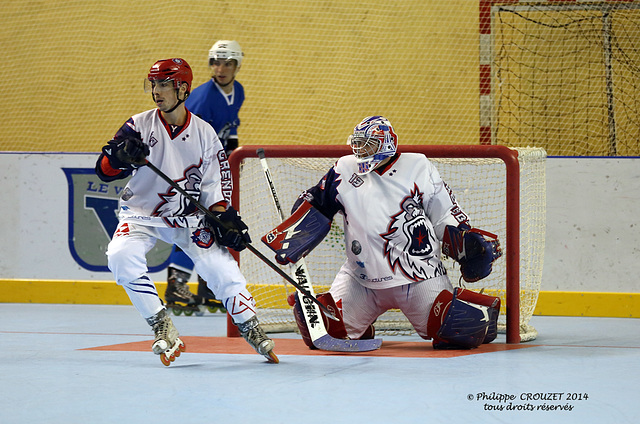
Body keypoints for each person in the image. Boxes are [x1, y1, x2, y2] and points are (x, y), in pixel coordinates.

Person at [95, 58, 278, 364]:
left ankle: (250, 325)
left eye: (164, 84)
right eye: (153, 84)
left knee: (222, 271)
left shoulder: (205, 134)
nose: (156, 91)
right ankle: (161, 324)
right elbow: (104, 170)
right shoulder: (138, 124)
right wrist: (119, 158)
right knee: (120, 256)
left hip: (189, 218)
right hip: (142, 214)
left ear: (182, 89)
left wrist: (224, 218)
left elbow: (216, 185)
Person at [265, 116, 503, 350]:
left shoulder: (418, 166)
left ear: (388, 142)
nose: (361, 150)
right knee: (323, 329)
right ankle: (360, 326)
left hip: (418, 276)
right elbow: (319, 203)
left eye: (368, 144)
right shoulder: (344, 168)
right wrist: (294, 234)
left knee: (458, 328)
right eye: (357, 143)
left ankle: (480, 312)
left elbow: (443, 214)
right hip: (360, 278)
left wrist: (466, 241)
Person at [164, 40, 246, 314]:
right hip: (190, 170)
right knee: (191, 223)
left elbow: (229, 130)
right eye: (216, 62)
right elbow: (182, 138)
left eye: (228, 63)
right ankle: (176, 286)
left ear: (237, 66)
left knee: (214, 223)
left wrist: (231, 160)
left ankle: (208, 286)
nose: (221, 68)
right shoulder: (201, 98)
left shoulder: (238, 92)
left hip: (213, 170)